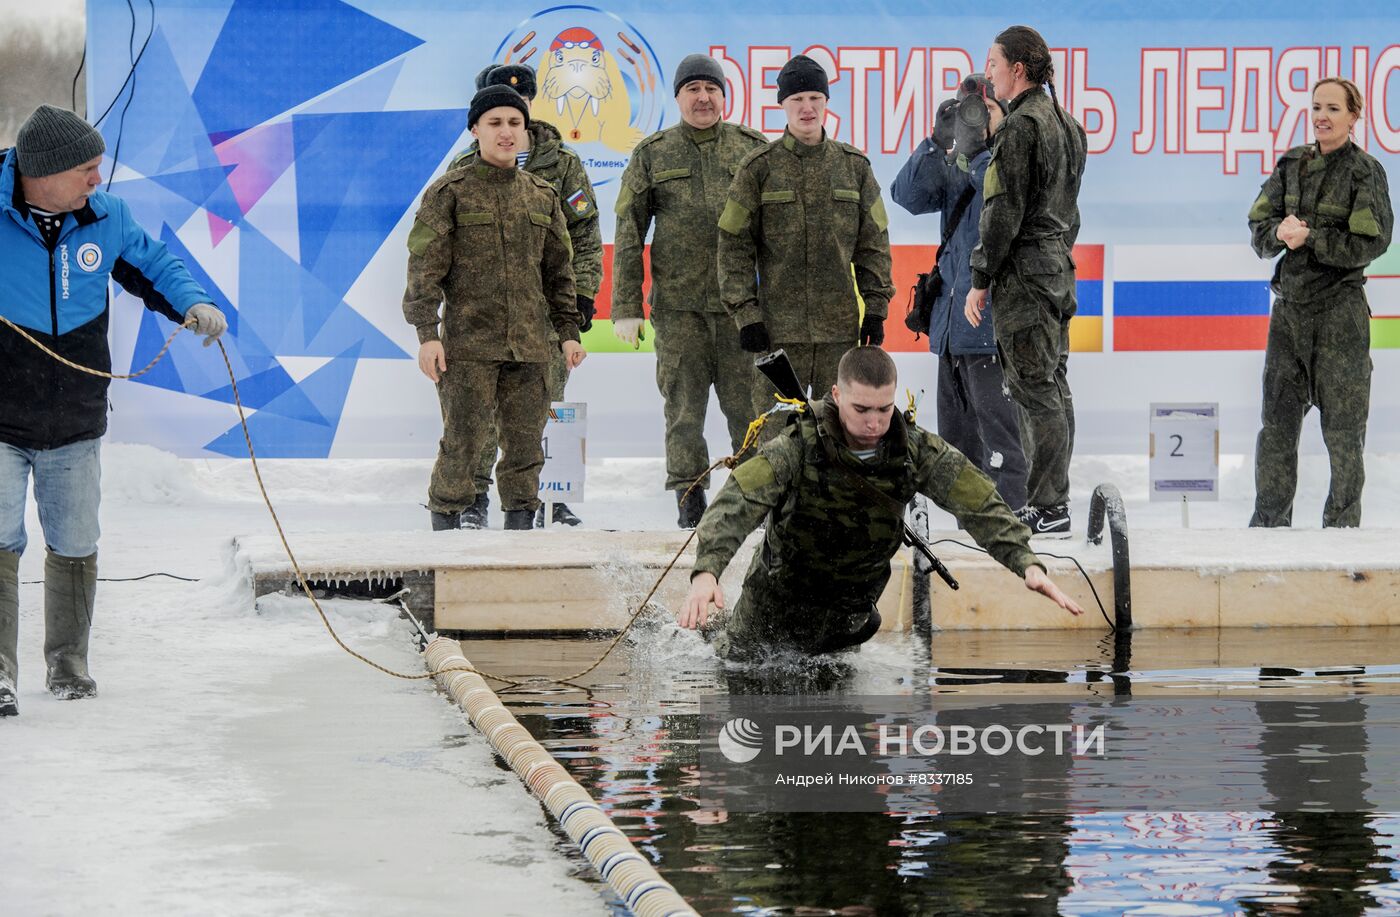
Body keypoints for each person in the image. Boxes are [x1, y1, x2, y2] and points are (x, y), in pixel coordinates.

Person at [1, 105, 226, 715]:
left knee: (75, 541)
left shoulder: (106, 216)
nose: (98, 180)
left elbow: (154, 265)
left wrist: (192, 303)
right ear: (43, 172)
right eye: (89, 169)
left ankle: (69, 666)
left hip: (73, 416)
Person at [677, 346, 1082, 660]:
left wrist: (1025, 562)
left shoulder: (913, 449)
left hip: (845, 618)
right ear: (836, 395)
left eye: (884, 410)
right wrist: (706, 572)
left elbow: (977, 500)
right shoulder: (797, 448)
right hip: (774, 609)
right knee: (742, 700)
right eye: (861, 409)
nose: (874, 423)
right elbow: (737, 501)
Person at [403, 86, 585, 533]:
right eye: (495, 123)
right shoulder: (449, 193)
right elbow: (423, 270)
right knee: (463, 447)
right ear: (475, 130)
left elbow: (559, 273)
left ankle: (519, 544)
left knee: (525, 452)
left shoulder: (542, 196)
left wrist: (567, 332)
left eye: (515, 123)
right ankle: (444, 542)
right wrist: (427, 334)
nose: (506, 133)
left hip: (530, 348)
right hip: (468, 347)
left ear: (525, 131)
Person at [612, 54, 769, 528]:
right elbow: (628, 230)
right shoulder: (652, 154)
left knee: (750, 410)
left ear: (724, 95)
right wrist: (626, 305)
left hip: (740, 309)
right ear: (677, 97)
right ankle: (690, 499)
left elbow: (775, 229)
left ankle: (750, 501)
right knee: (683, 411)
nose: (703, 97)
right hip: (679, 311)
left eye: (711, 89)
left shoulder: (753, 148)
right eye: (693, 89)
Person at [452, 64, 602, 529]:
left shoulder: (561, 163)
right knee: (480, 412)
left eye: (517, 106)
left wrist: (579, 298)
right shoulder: (462, 171)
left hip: (544, 316)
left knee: (545, 406)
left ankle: (549, 501)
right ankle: (475, 497)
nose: (507, 124)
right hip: (485, 317)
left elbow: (587, 233)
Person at [1248, 77, 1393, 528]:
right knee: (1276, 429)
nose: (1322, 117)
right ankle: (1268, 529)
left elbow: (1373, 241)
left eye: (1333, 108)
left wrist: (1313, 239)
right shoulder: (1291, 164)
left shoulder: (1364, 171)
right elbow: (1257, 228)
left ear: (1354, 116)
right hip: (1289, 315)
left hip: (1340, 316)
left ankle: (1341, 534)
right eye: (1316, 107)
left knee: (1345, 434)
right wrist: (1277, 233)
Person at [964, 26, 1087, 538]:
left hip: (1026, 278)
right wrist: (1052, 256)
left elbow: (1001, 213)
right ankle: (1052, 503)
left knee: (1035, 389)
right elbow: (1070, 212)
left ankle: (1048, 507)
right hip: (1057, 269)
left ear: (1017, 69)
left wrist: (979, 277)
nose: (987, 72)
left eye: (992, 63)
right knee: (1054, 386)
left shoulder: (1019, 128)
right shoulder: (1068, 124)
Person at [717, 54, 895, 405]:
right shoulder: (758, 168)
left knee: (839, 430)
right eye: (797, 99)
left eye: (815, 98)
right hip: (777, 334)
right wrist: (746, 314)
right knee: (777, 435)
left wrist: (876, 308)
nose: (807, 107)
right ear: (782, 104)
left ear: (827, 101)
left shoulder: (854, 167)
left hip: (838, 334)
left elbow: (873, 243)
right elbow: (733, 245)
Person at [892, 74, 1029, 515]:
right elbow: (906, 195)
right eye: (968, 111)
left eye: (985, 111)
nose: (975, 120)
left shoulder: (1007, 158)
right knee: (957, 442)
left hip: (990, 328)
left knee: (1002, 439)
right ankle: (965, 522)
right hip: (952, 329)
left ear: (1004, 115)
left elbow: (1005, 196)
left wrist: (976, 153)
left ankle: (1009, 519)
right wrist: (936, 140)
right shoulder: (957, 163)